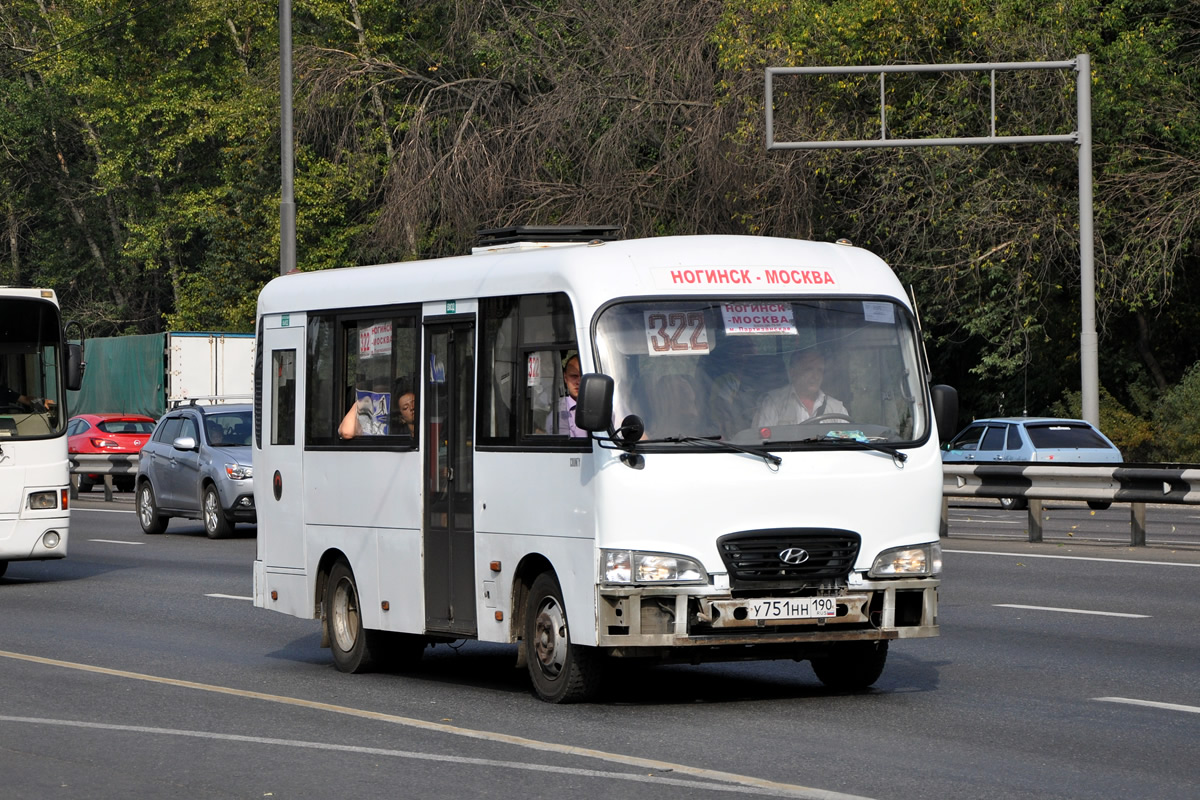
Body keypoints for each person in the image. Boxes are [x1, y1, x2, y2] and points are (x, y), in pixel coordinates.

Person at [752, 347, 848, 428]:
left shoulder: (837, 408)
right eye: (809, 369)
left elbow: (849, 443)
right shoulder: (773, 403)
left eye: (820, 370)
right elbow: (760, 443)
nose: (816, 376)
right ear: (793, 372)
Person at [544, 354, 586, 437]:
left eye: (583, 377)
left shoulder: (604, 406)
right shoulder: (559, 413)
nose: (578, 382)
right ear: (565, 378)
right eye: (574, 376)